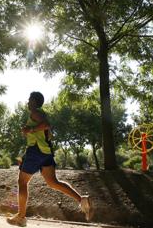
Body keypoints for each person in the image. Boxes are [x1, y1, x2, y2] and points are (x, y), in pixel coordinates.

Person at [7, 92, 93, 227]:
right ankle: (81, 199)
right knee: (53, 182)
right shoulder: (39, 114)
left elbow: (46, 125)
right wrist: (28, 130)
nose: (28, 102)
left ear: (34, 101)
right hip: (45, 153)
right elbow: (44, 130)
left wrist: (30, 130)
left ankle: (21, 217)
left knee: (22, 182)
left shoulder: (35, 112)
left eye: (29, 100)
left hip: (35, 151)